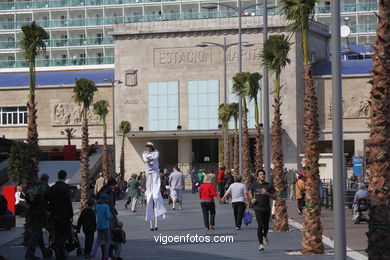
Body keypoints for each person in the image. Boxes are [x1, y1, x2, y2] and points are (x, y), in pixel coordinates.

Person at [24, 175, 52, 260]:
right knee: (36, 234)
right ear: (47, 179)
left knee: (38, 234)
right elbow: (49, 199)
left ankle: (45, 252)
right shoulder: (45, 187)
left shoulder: (34, 186)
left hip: (32, 213)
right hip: (40, 213)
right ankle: (29, 254)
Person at [47, 170, 73, 260]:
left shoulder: (52, 188)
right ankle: (56, 245)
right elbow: (68, 202)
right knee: (67, 232)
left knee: (58, 234)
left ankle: (60, 254)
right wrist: (71, 214)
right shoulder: (66, 188)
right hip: (64, 214)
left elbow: (48, 201)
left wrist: (51, 211)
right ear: (65, 177)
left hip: (54, 215)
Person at [248, 170, 276, 251]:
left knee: (266, 226)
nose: (262, 176)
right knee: (260, 225)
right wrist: (251, 199)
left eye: (263, 174)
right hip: (257, 207)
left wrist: (267, 193)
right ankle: (260, 244)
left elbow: (275, 197)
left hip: (266, 208)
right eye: (260, 174)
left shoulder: (269, 185)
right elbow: (249, 191)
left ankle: (265, 236)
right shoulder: (254, 185)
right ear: (257, 176)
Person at [142, 142, 166, 231]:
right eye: (146, 146)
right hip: (148, 172)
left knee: (156, 194)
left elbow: (155, 157)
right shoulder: (144, 153)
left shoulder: (156, 152)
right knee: (149, 195)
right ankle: (151, 223)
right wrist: (149, 158)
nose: (147, 148)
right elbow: (145, 159)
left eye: (148, 147)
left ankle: (156, 195)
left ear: (151, 147)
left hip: (155, 171)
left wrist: (150, 158)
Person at [91, 194, 111, 260]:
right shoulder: (106, 206)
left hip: (99, 225)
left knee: (97, 241)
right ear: (105, 199)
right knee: (107, 241)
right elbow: (108, 216)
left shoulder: (97, 206)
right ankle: (106, 256)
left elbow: (95, 213)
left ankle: (93, 255)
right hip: (106, 226)